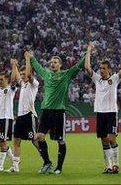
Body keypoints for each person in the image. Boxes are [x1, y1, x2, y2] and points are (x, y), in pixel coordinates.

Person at [26, 47, 87, 175]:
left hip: (59, 112)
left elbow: (80, 65)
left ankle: (58, 168)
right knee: (39, 137)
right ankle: (47, 162)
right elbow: (36, 65)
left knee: (60, 141)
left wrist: (88, 52)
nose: (52, 64)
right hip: (46, 112)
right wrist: (30, 57)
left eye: (55, 62)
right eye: (51, 62)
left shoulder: (66, 74)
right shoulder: (46, 74)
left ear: (60, 65)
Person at [85, 42, 121, 174]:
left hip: (112, 113)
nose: (100, 70)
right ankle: (108, 166)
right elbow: (87, 67)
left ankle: (116, 165)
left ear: (109, 70)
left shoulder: (114, 79)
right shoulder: (97, 79)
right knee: (103, 141)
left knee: (111, 138)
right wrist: (89, 50)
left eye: (103, 68)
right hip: (100, 113)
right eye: (100, 68)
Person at [7, 55, 41, 173]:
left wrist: (27, 60)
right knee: (16, 140)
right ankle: (15, 166)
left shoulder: (34, 83)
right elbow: (15, 79)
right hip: (20, 117)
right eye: (21, 75)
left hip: (30, 115)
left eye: (24, 74)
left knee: (35, 140)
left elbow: (29, 75)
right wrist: (14, 66)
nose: (22, 76)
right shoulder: (22, 84)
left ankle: (46, 160)